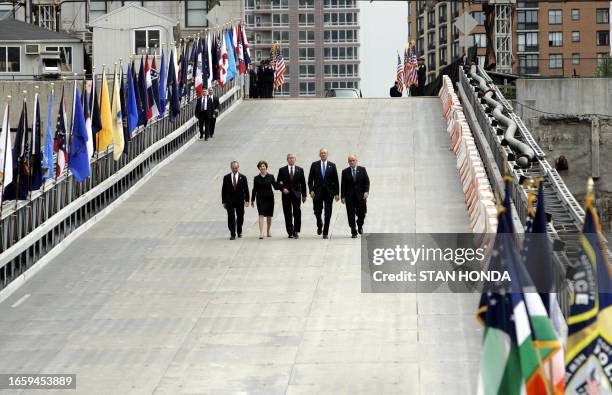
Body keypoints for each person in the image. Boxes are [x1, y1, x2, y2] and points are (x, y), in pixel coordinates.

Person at [308, 148, 339, 239]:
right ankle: (319, 223)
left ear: (327, 154)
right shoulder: (314, 165)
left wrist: (337, 193)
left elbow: (336, 180)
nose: (323, 154)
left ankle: (325, 232)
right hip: (317, 192)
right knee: (317, 211)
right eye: (322, 153)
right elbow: (310, 180)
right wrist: (311, 190)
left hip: (329, 193)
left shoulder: (332, 165)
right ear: (319, 155)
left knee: (328, 212)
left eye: (325, 153)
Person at [276, 153, 307, 239]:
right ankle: (290, 231)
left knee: (297, 212)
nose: (291, 159)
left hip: (297, 195)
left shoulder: (300, 170)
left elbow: (303, 183)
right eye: (290, 158)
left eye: (293, 158)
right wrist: (283, 189)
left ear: (295, 159)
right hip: (286, 195)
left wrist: (304, 195)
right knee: (287, 213)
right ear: (287, 160)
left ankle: (296, 231)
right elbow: (278, 183)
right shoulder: (282, 170)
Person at [341, 155, 370, 238]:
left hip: (361, 197)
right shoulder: (345, 172)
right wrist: (343, 196)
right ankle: (353, 231)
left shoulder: (362, 170)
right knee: (350, 215)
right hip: (349, 197)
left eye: (353, 160)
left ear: (356, 161)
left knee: (362, 213)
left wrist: (366, 191)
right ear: (348, 162)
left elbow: (366, 182)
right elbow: (343, 185)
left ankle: (360, 225)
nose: (352, 162)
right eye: (350, 161)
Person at [221, 161, 250, 240]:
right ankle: (232, 233)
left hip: (240, 200)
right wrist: (223, 201)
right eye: (233, 168)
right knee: (231, 217)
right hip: (229, 200)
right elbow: (223, 190)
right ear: (231, 168)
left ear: (238, 167)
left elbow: (246, 189)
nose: (235, 170)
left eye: (236, 168)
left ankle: (239, 231)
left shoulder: (243, 177)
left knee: (240, 216)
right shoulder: (226, 177)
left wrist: (247, 200)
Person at [251, 160, 277, 239]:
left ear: (266, 167)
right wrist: (252, 200)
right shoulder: (256, 178)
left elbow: (275, 186)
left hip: (269, 198)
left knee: (269, 215)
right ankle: (261, 233)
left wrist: (282, 186)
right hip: (260, 198)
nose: (262, 167)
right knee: (261, 214)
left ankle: (268, 230)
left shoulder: (271, 176)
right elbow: (254, 189)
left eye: (263, 166)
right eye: (261, 166)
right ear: (259, 168)